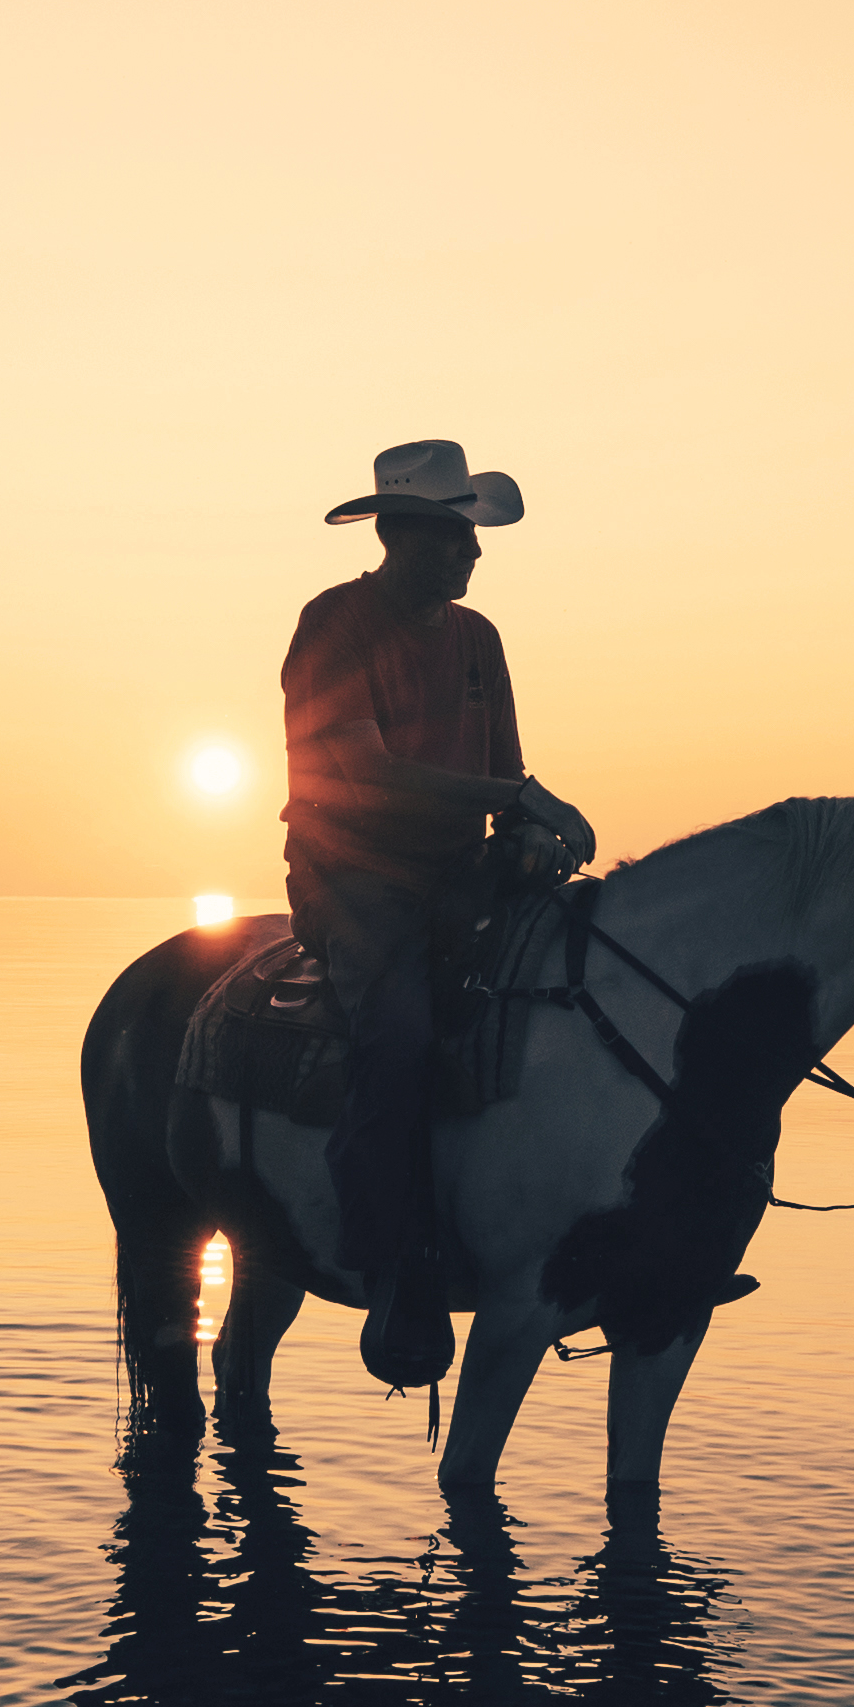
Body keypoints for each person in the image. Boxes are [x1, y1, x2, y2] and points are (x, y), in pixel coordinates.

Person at [279, 441, 601, 1388]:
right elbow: (366, 776)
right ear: (403, 535)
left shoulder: (479, 639)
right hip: (351, 871)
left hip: (460, 868)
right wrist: (526, 796)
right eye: (460, 535)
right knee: (398, 1031)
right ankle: (392, 1260)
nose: (475, 554)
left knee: (583, 987)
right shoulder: (333, 627)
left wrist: (528, 833)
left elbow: (499, 775)